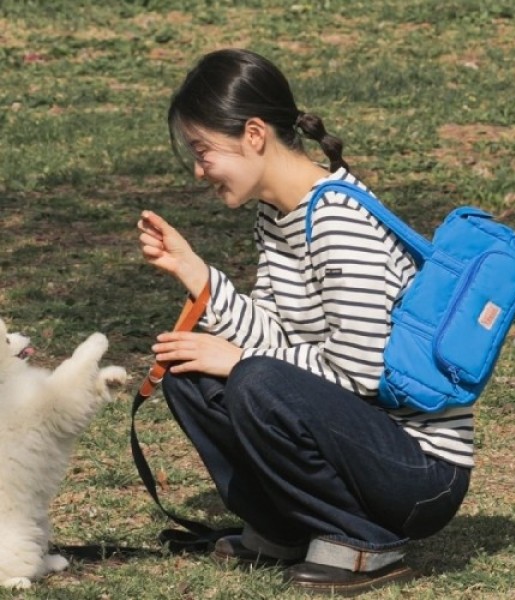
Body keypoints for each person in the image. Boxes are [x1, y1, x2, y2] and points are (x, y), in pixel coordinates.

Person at [138, 48, 472, 596]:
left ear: (253, 134)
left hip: (419, 474)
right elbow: (276, 335)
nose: (199, 171)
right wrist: (194, 272)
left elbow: (360, 371)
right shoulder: (280, 214)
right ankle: (285, 528)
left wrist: (241, 361)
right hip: (361, 441)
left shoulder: (340, 221)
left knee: (252, 376)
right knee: (187, 370)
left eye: (203, 151)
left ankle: (364, 540)